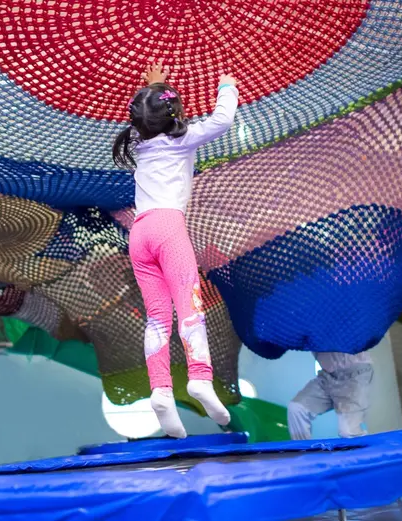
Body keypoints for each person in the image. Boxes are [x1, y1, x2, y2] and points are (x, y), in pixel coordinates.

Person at [113, 62, 239, 438]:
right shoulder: (182, 138)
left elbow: (148, 113)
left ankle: (161, 390)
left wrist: (155, 87)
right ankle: (199, 378)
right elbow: (222, 120)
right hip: (169, 228)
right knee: (189, 307)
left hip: (139, 234)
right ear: (174, 115)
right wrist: (227, 87)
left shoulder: (137, 140)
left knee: (157, 318)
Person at [288, 351, 374, 440]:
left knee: (348, 432)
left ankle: (361, 447)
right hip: (327, 375)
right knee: (296, 408)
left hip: (355, 374)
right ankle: (303, 448)